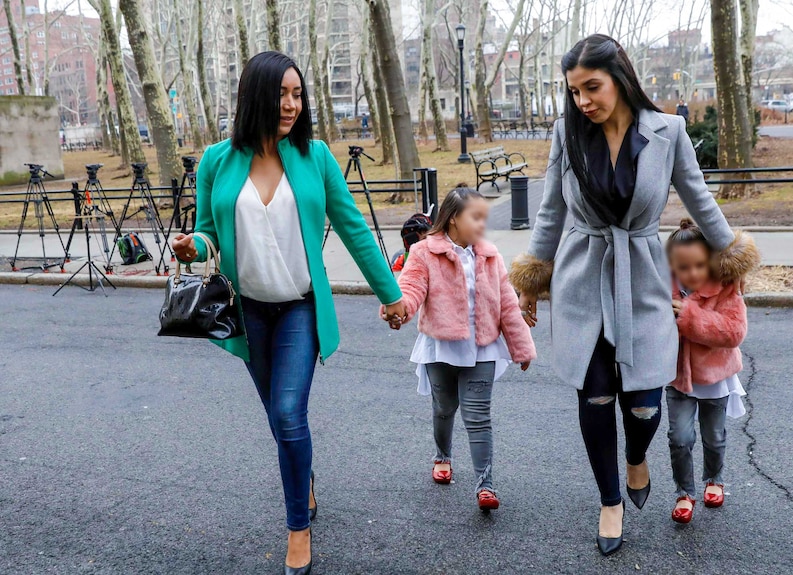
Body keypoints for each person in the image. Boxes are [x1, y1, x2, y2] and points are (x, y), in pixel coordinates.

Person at [508, 34, 758, 556]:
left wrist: (730, 256)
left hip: (643, 275)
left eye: (592, 88)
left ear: (619, 79)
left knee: (644, 403)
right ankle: (609, 500)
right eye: (574, 92)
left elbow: (700, 199)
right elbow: (550, 211)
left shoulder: (668, 132)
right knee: (595, 394)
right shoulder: (566, 134)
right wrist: (532, 281)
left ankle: (637, 458)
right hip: (581, 277)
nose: (583, 102)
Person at [170, 52, 407, 575]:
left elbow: (353, 228)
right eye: (281, 94)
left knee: (287, 414)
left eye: (298, 95)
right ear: (254, 95)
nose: (291, 105)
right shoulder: (217, 160)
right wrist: (196, 246)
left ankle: (297, 528)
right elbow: (209, 229)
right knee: (281, 421)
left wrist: (390, 294)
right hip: (247, 311)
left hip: (300, 307)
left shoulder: (315, 157)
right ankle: (305, 478)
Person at [385, 187, 536, 511]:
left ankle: (486, 485)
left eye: (484, 218)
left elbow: (508, 305)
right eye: (476, 217)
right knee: (444, 408)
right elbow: (410, 290)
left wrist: (521, 347)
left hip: (482, 347)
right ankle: (442, 455)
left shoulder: (490, 255)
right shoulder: (424, 252)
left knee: (478, 417)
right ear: (453, 218)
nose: (482, 225)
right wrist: (400, 310)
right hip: (441, 348)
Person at [665, 218, 757, 524]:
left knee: (713, 437)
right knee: (679, 437)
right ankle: (684, 493)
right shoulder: (663, 288)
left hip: (715, 377)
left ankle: (714, 479)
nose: (691, 274)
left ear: (711, 261)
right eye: (683, 267)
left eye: (699, 266)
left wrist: (690, 316)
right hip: (677, 377)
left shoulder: (726, 288)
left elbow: (734, 332)